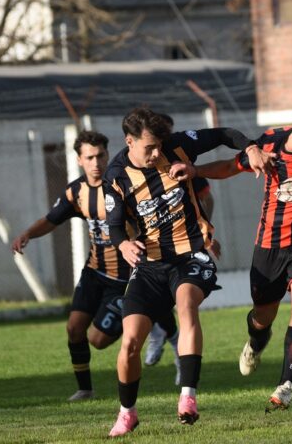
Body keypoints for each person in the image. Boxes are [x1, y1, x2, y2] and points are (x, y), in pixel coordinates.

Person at [104, 107, 273, 437]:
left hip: (192, 254)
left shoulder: (178, 146)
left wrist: (251, 147)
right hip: (150, 264)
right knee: (130, 344)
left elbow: (224, 134)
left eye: (159, 146)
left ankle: (188, 398)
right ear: (129, 141)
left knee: (186, 306)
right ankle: (127, 413)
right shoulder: (116, 177)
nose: (157, 154)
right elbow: (113, 227)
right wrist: (123, 244)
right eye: (149, 147)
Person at [177, 101, 292, 412]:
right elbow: (228, 167)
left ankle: (286, 385)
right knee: (262, 317)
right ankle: (255, 341)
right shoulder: (269, 146)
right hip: (271, 245)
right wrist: (195, 171)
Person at [10, 131, 176, 401]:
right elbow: (51, 219)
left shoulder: (122, 185)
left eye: (100, 155)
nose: (96, 162)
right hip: (94, 272)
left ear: (107, 154)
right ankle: (85, 389)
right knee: (74, 328)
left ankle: (152, 316)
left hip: (123, 279)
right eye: (90, 157)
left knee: (97, 340)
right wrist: (26, 234)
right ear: (79, 160)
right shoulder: (76, 191)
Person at [143, 114, 218, 371]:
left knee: (181, 301)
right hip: (145, 247)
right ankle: (162, 332)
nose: (164, 144)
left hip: (185, 249)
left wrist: (205, 231)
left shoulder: (181, 160)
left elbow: (207, 198)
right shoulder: (131, 170)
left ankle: (173, 343)